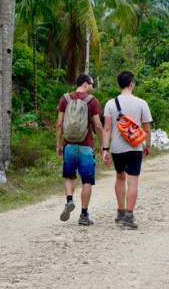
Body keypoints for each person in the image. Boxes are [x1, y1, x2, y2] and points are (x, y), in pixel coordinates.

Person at [102, 71, 153, 230]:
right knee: (133, 181)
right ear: (131, 83)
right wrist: (148, 145)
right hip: (135, 147)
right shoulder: (141, 103)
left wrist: (105, 149)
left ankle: (121, 213)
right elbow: (147, 128)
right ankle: (129, 217)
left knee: (119, 178)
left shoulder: (110, 104)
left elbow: (107, 128)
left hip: (117, 148)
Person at [56, 74, 104, 226]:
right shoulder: (92, 101)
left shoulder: (64, 99)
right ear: (85, 84)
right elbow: (98, 126)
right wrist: (102, 144)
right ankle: (84, 215)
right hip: (86, 146)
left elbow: (59, 124)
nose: (93, 87)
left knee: (69, 176)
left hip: (69, 145)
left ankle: (69, 200)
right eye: (92, 84)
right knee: (87, 181)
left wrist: (58, 144)